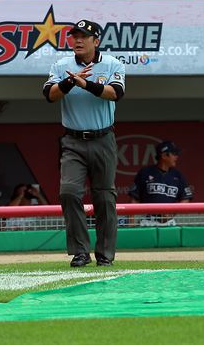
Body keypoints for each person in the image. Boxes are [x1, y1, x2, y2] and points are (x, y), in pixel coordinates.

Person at [42, 19, 125, 267]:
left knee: (104, 198)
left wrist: (85, 84)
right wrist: (70, 81)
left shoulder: (112, 64)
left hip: (103, 138)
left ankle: (105, 255)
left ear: (95, 41)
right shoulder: (61, 65)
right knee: (68, 192)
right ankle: (80, 251)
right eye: (74, 36)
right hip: (73, 141)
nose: (77, 40)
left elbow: (116, 93)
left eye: (83, 36)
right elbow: (49, 95)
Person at [128, 141, 193, 226]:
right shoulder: (145, 172)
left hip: (169, 222)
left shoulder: (178, 175)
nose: (176, 157)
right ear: (164, 155)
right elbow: (134, 199)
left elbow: (186, 198)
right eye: (174, 154)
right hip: (149, 221)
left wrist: (172, 212)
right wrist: (131, 223)